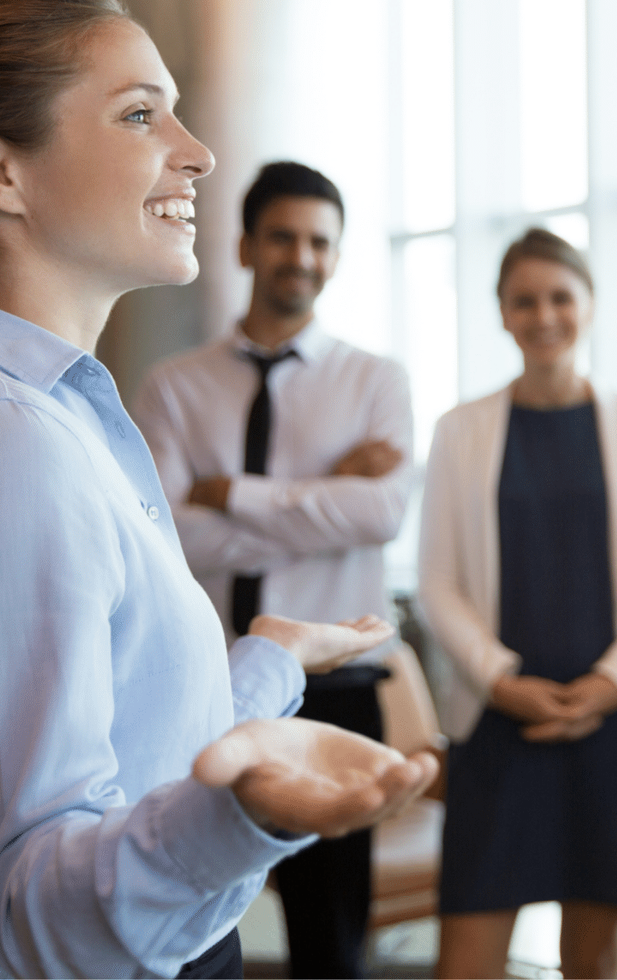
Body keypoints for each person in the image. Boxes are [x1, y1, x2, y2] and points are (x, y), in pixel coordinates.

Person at [0, 0, 433, 979]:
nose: (198, 152)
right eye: (138, 114)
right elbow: (43, 906)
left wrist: (270, 660)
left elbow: (134, 761)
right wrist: (242, 817)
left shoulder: (40, 416)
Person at [133, 160, 415, 979]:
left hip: (339, 687)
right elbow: (169, 543)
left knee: (332, 936)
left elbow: (384, 514)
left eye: (320, 242)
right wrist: (325, 500)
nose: (303, 256)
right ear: (247, 246)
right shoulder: (175, 388)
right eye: (284, 237)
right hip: (203, 681)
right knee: (183, 909)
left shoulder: (375, 382)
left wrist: (237, 496)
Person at [417, 229, 617, 980]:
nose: (544, 315)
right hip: (499, 725)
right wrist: (502, 683)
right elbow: (436, 580)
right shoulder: (459, 430)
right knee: (466, 961)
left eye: (560, 297)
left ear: (590, 306)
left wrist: (611, 684)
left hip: (616, 724)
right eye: (524, 300)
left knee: (593, 965)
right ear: (502, 314)